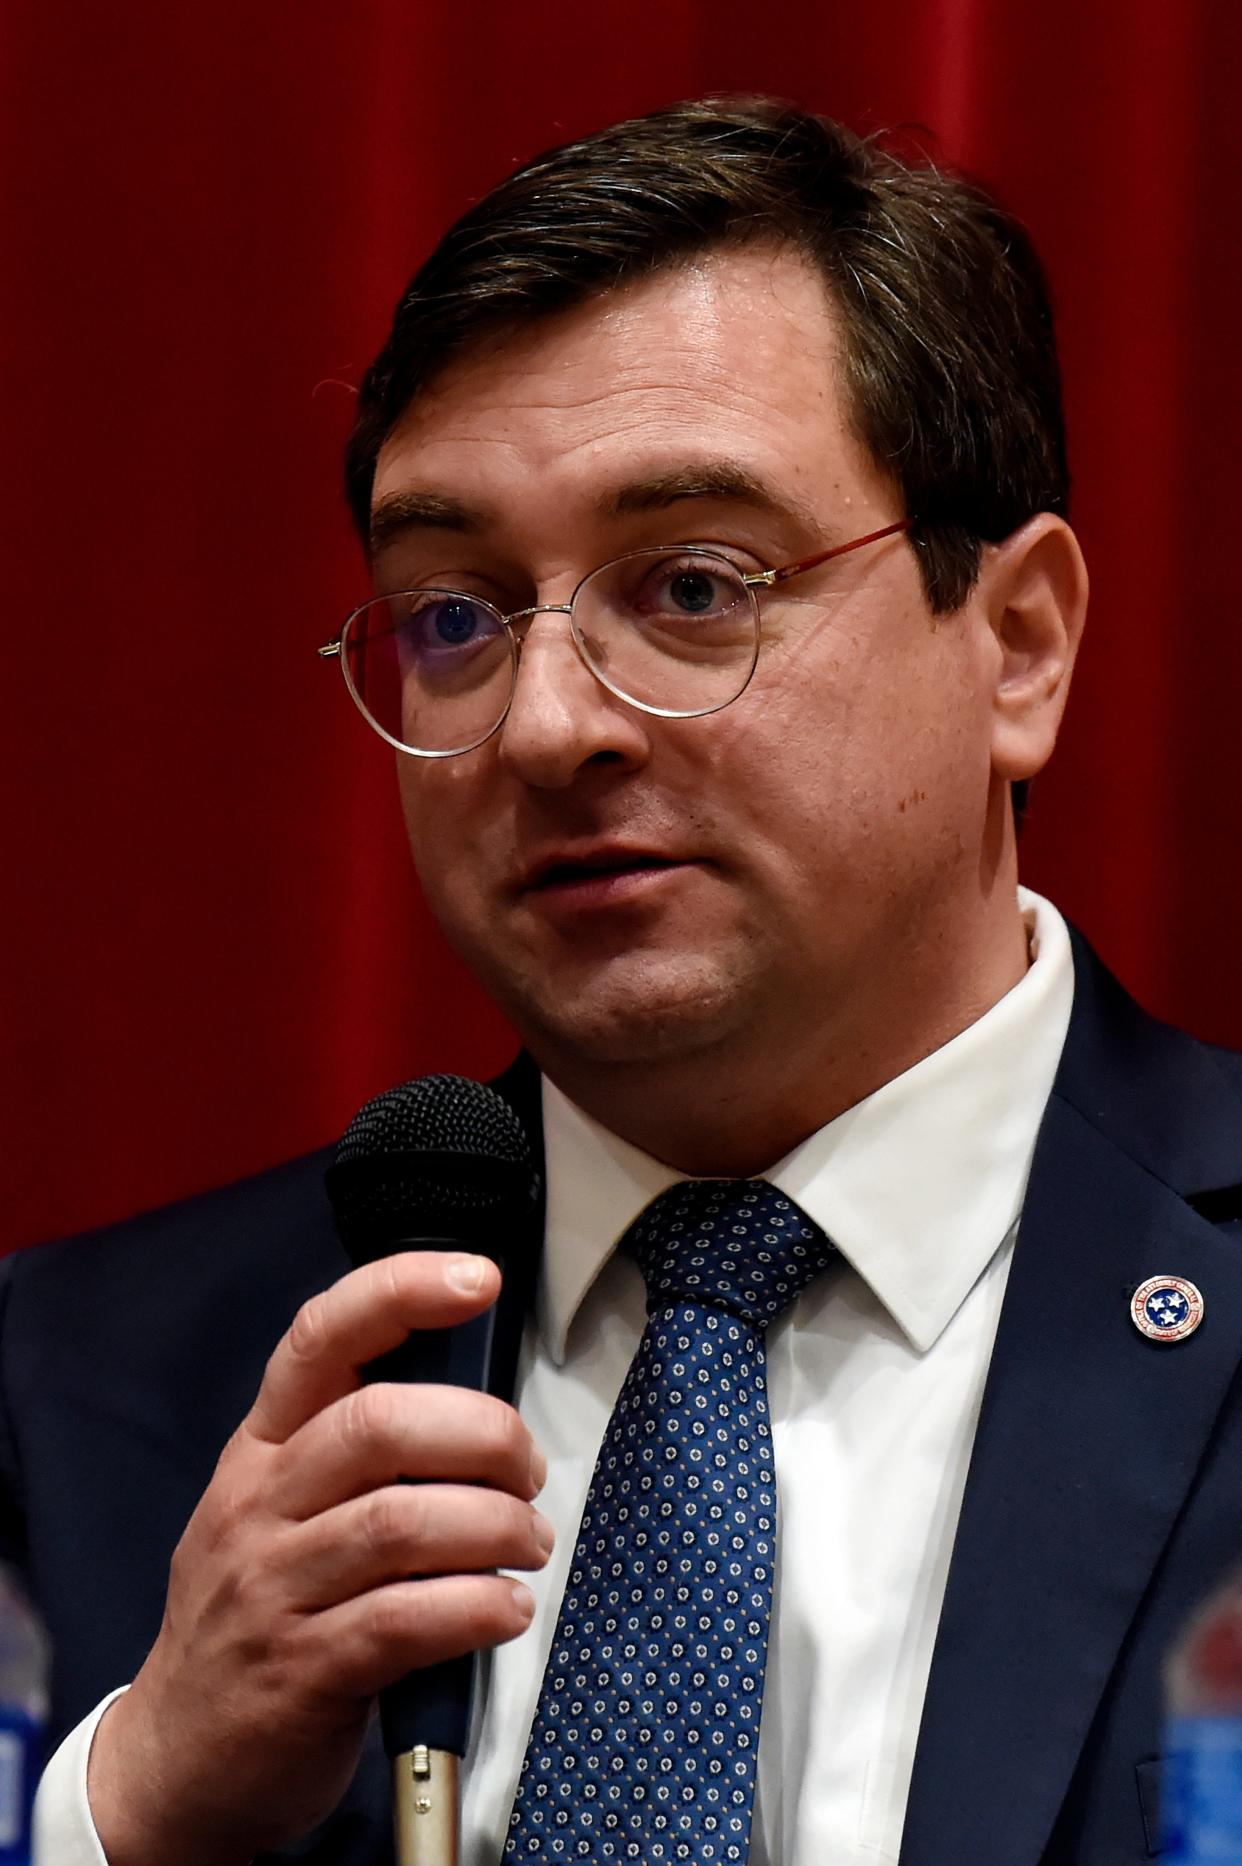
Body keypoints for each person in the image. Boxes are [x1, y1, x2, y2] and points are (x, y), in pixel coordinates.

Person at [10, 96, 1242, 1866]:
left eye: (690, 583)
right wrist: (128, 1820)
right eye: (452, 614)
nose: (546, 723)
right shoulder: (78, 1396)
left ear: (1019, 646)